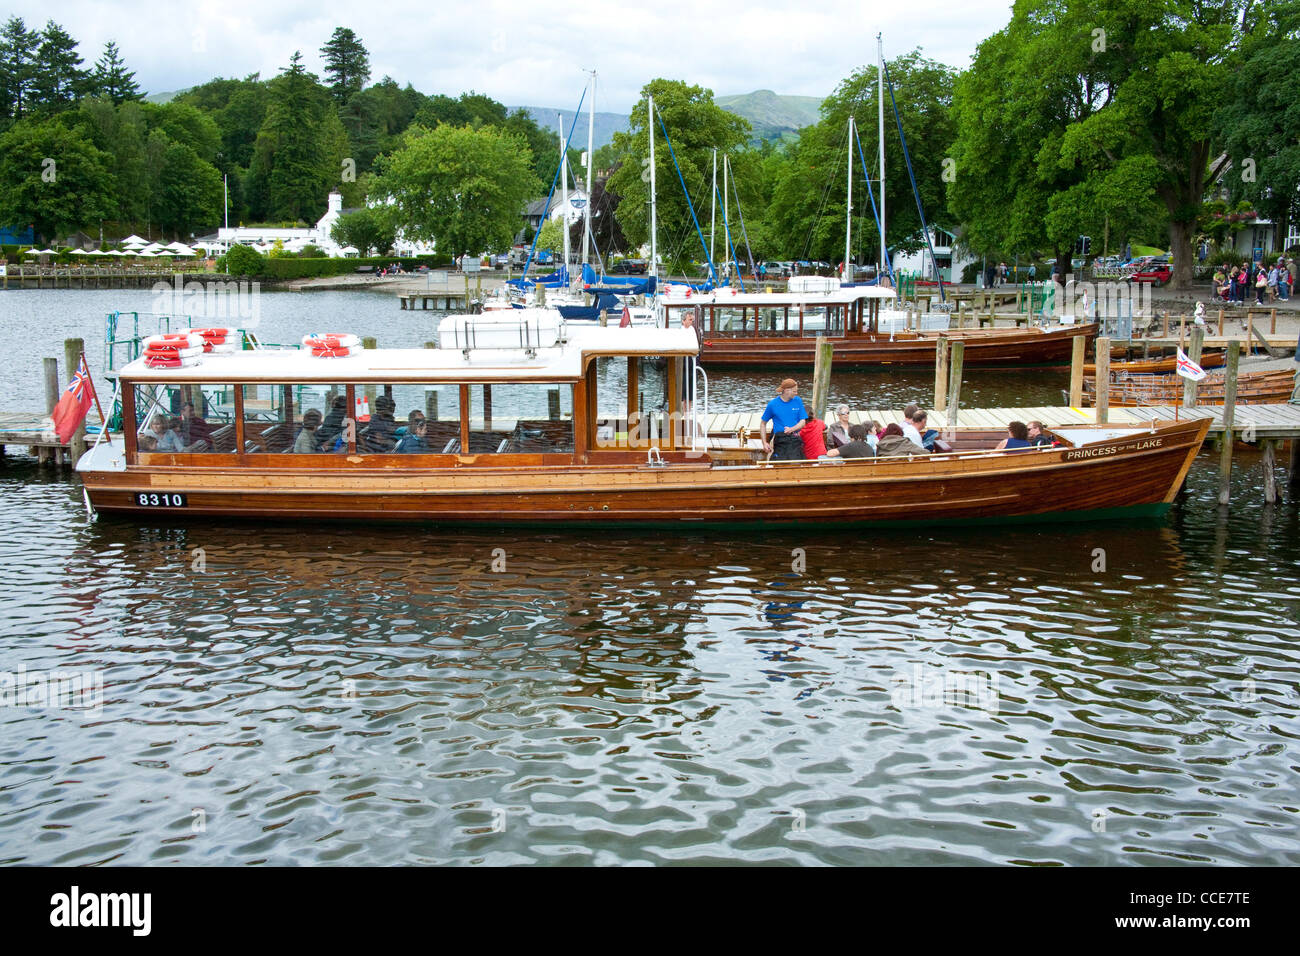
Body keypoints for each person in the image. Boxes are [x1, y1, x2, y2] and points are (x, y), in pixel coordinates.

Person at [761, 378, 808, 461]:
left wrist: (791, 429)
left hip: (795, 439)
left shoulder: (798, 401)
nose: (796, 393)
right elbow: (763, 424)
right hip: (780, 440)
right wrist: (764, 442)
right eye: (794, 391)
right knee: (778, 465)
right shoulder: (773, 404)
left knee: (797, 464)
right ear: (786, 390)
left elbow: (803, 421)